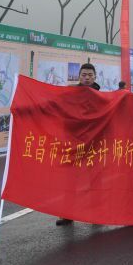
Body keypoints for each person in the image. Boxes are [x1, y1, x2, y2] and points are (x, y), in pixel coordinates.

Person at [56, 63, 100, 226]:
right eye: (84, 74)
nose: (87, 77)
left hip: (95, 143)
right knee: (71, 179)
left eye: (90, 74)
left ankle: (97, 213)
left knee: (95, 179)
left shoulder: (101, 96)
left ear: (95, 77)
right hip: (74, 142)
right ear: (79, 76)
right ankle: (67, 214)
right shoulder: (70, 94)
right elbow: (55, 106)